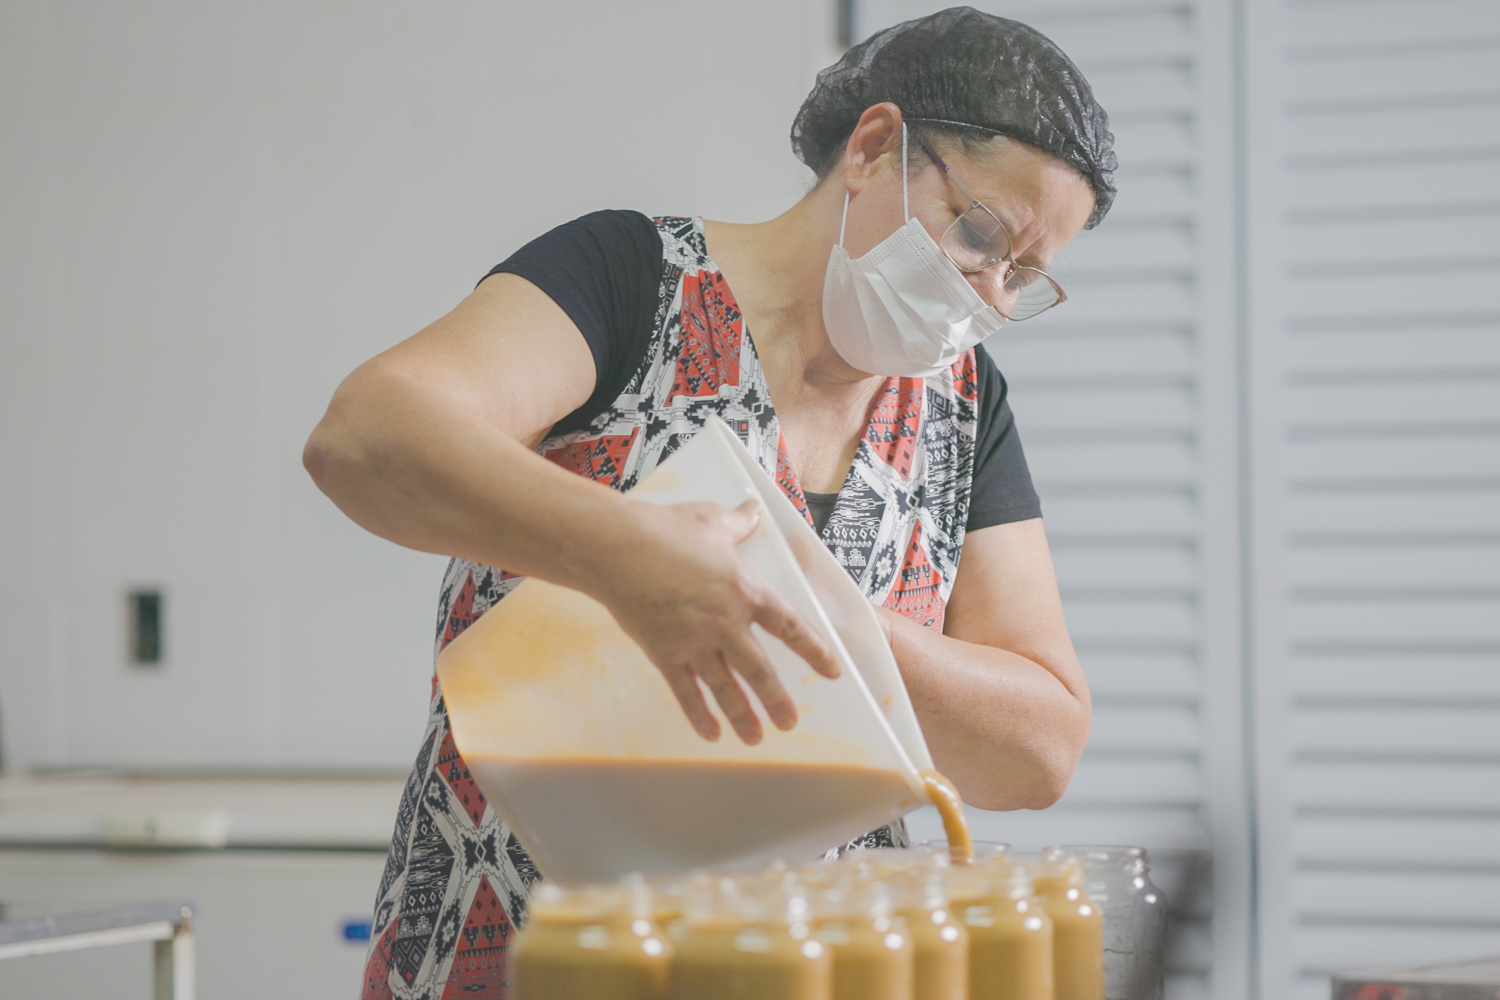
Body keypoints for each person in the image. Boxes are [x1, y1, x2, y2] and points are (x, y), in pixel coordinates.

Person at [304, 7, 1116, 997]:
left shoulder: (964, 407)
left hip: (802, 969)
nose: (986, 293)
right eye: (980, 233)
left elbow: (1039, 750)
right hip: (516, 947)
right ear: (872, 149)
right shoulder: (632, 282)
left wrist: (822, 621)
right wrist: (623, 554)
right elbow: (367, 437)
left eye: (1023, 276)